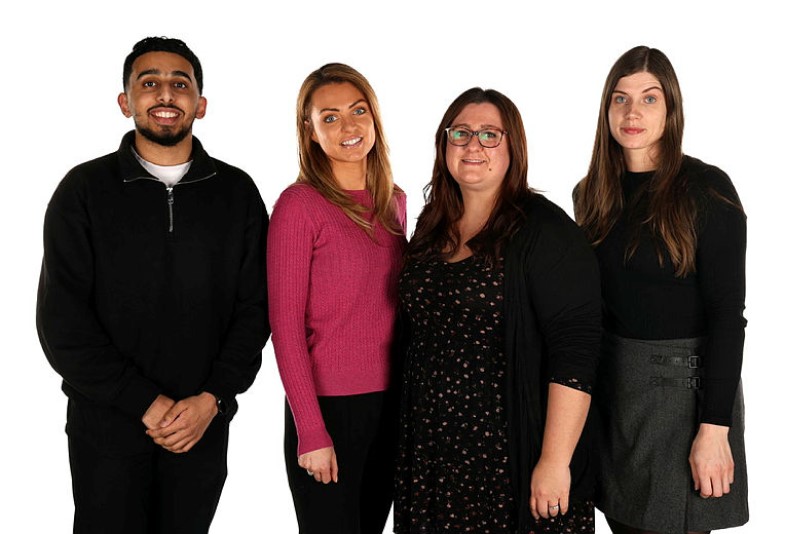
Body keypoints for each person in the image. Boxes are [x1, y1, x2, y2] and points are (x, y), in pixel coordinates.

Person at [36, 36, 269, 534]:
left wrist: (213, 398)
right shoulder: (83, 191)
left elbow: (256, 309)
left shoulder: (237, 193)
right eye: (149, 83)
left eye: (179, 84)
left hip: (200, 426)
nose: (165, 94)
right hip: (106, 429)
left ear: (199, 105)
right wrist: (144, 401)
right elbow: (62, 323)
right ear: (126, 102)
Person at [394, 87, 602, 534]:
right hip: (432, 453)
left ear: (514, 147)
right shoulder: (431, 226)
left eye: (490, 135)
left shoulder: (547, 233)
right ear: (443, 143)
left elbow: (576, 356)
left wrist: (554, 461)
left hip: (509, 455)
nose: (473, 145)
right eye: (461, 133)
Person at [573, 45, 749, 534]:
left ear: (671, 109)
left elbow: (727, 315)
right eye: (621, 98)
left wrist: (715, 430)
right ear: (606, 109)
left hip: (683, 401)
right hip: (612, 397)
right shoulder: (590, 195)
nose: (633, 113)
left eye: (650, 99)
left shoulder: (708, 190)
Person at [267, 63, 407, 534]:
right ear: (309, 130)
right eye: (329, 117)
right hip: (328, 409)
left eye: (358, 111)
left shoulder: (395, 201)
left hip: (390, 405)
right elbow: (284, 328)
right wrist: (310, 428)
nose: (348, 127)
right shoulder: (299, 205)